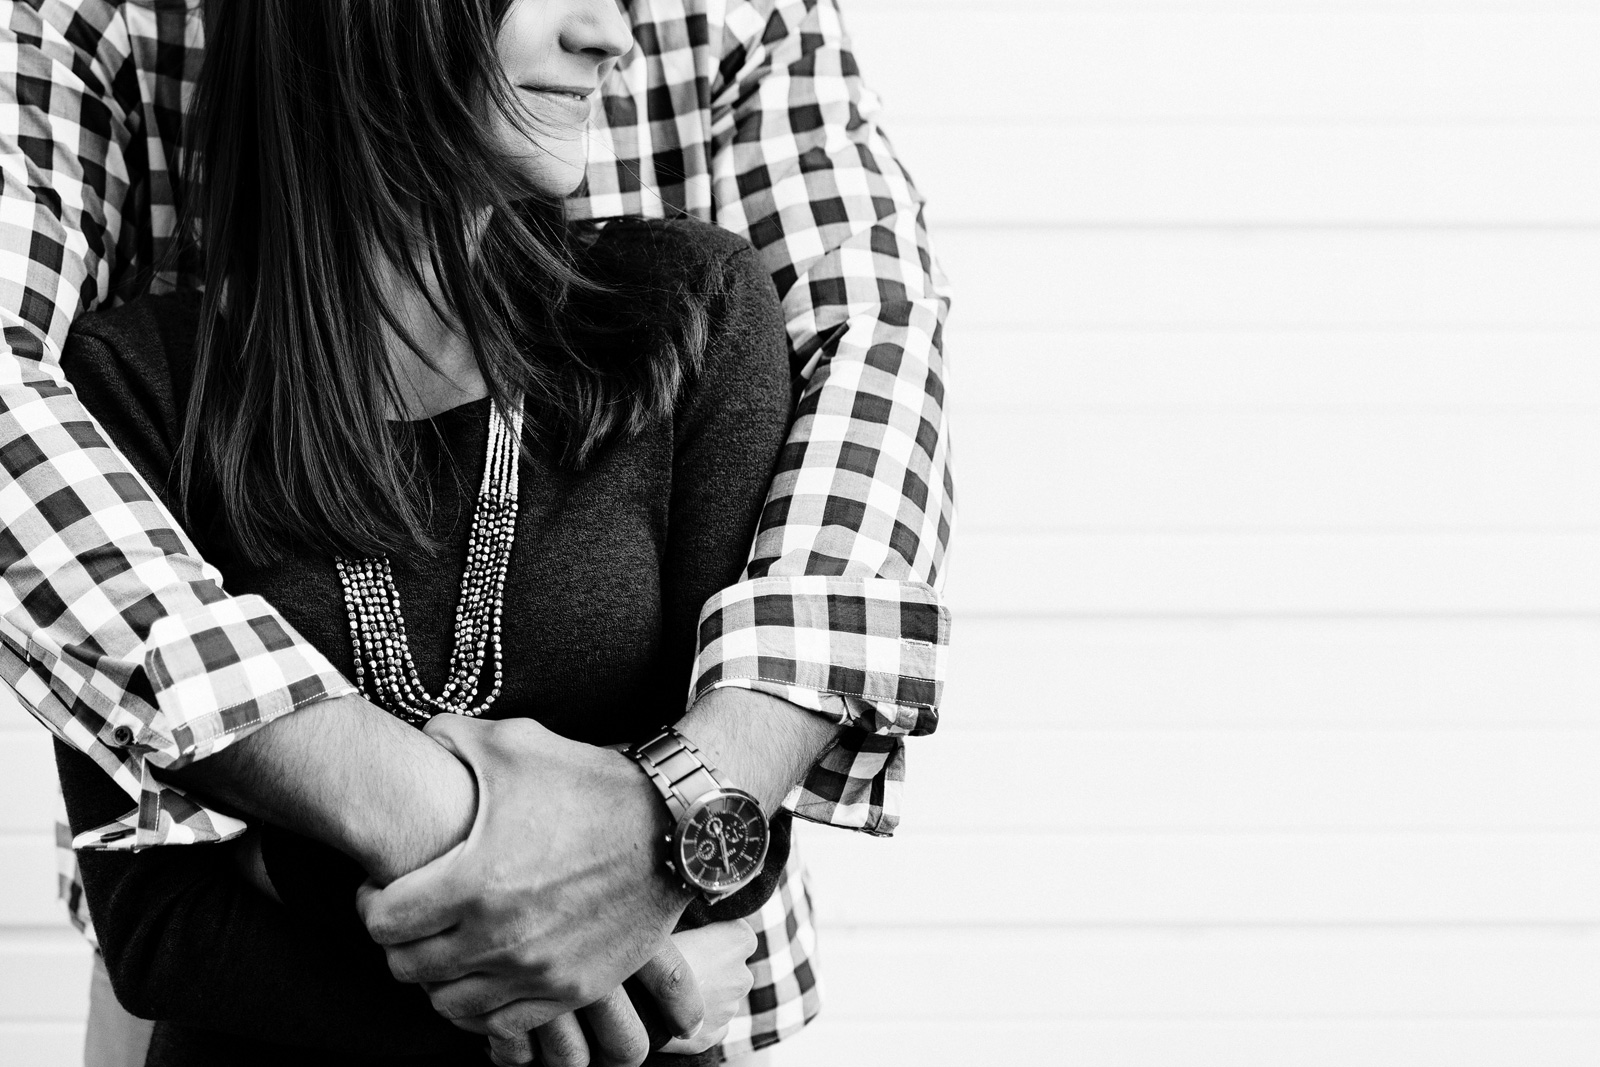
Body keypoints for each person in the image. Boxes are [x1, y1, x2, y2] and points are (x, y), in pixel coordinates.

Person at [1, 0, 951, 1063]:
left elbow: (736, 847)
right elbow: (162, 925)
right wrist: (529, 884)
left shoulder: (690, 316)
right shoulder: (135, 385)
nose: (613, 37)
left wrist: (283, 859)